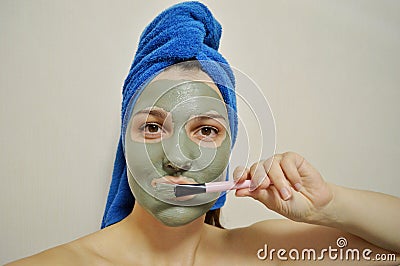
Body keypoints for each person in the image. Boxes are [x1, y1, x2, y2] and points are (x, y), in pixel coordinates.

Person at [7, 2, 399, 265]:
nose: (177, 157)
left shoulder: (269, 253)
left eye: (206, 129)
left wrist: (328, 207)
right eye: (153, 127)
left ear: (229, 151)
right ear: (123, 145)